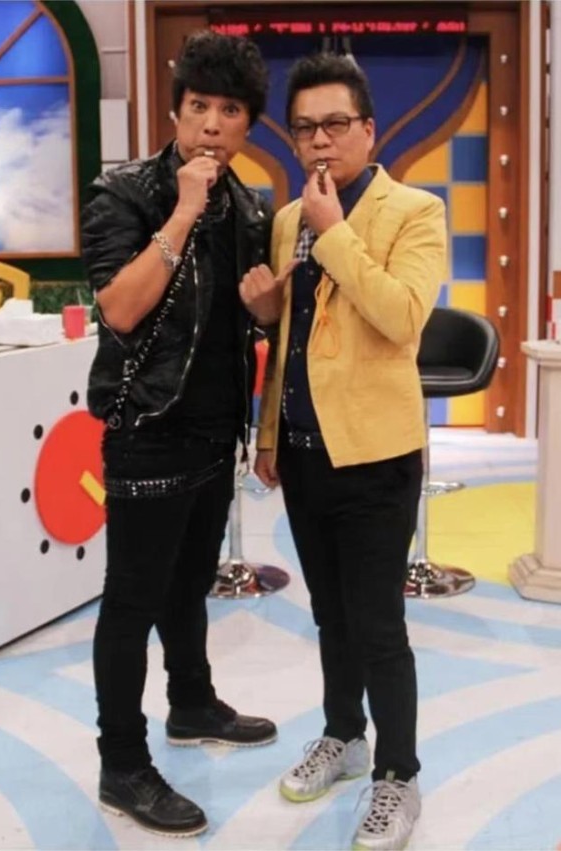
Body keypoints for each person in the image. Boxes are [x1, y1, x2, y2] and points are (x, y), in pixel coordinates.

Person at [81, 31, 286, 839]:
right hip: (146, 426)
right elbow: (120, 309)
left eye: (228, 111)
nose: (210, 124)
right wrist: (184, 209)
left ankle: (192, 701)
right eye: (198, 106)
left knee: (190, 580)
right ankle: (122, 762)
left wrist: (265, 311)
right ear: (174, 113)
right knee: (132, 597)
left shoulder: (251, 206)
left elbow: (245, 321)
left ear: (247, 127)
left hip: (212, 430)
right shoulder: (124, 192)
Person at [246, 53, 447, 851]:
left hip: (375, 453)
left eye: (335, 124)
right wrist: (268, 430)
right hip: (303, 450)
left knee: (377, 624)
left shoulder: (415, 211)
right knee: (329, 615)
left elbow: (401, 315)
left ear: (368, 128)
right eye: (304, 128)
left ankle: (398, 773)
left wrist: (335, 235)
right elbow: (292, 340)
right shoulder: (288, 217)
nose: (319, 141)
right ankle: (344, 734)